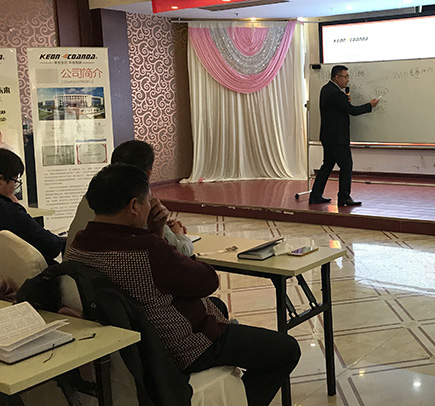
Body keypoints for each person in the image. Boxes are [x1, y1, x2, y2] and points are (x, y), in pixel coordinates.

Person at [67, 164, 301, 406]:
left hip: (138, 343)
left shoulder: (78, 246)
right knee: (286, 350)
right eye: (148, 201)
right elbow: (206, 281)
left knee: (217, 306)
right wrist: (159, 234)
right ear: (134, 206)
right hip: (180, 348)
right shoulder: (146, 250)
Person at [66, 140, 193, 258]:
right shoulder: (140, 205)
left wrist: (162, 229)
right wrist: (178, 234)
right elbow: (179, 253)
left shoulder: (92, 195)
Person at [309, 65, 379, 206]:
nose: (347, 80)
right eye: (345, 76)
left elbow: (340, 109)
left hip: (328, 136)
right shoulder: (336, 94)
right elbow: (352, 111)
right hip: (337, 138)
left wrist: (345, 102)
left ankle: (315, 195)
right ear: (337, 77)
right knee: (346, 165)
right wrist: (369, 105)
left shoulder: (326, 89)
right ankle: (343, 198)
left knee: (327, 166)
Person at [0, 148, 63, 264]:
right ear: (1, 180)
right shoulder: (9, 212)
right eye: (15, 181)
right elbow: (51, 246)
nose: (14, 188)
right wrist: (17, 209)